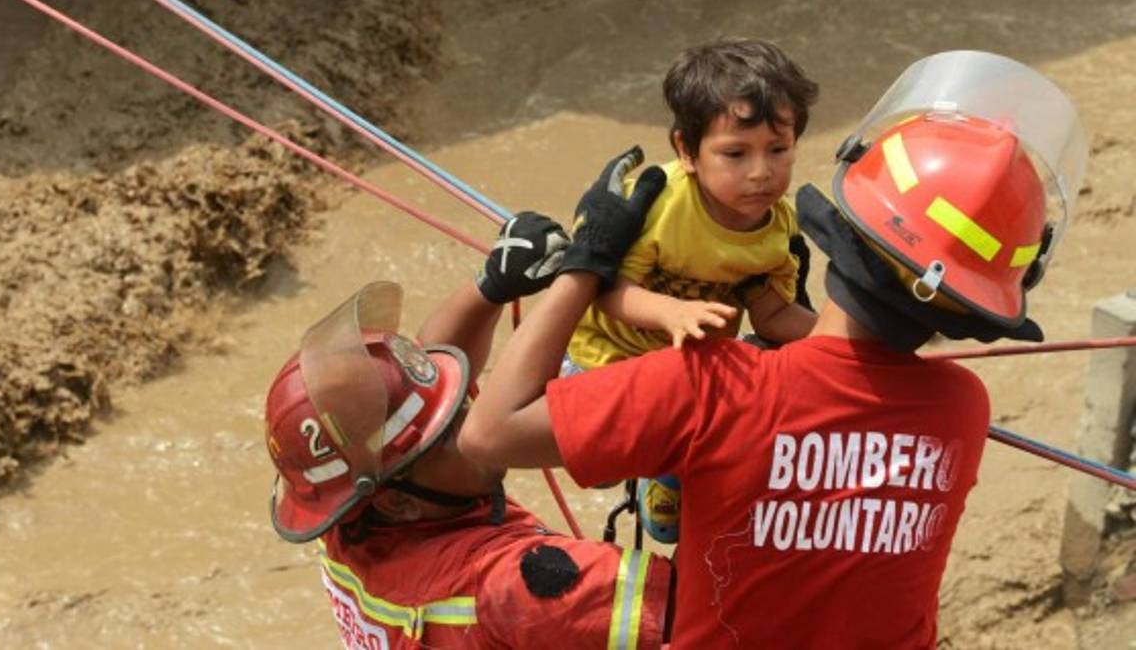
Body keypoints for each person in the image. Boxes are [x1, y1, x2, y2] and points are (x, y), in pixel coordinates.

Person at [459, 50, 1088, 648]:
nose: (759, 171)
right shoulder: (962, 411)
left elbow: (488, 435)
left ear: (841, 228)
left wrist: (584, 263)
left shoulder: (711, 383)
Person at [262, 210, 672, 649]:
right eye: (452, 429)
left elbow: (425, 373)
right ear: (399, 501)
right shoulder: (516, 585)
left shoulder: (349, 511)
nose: (478, 417)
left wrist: (491, 286)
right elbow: (719, 604)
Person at [563, 38, 821, 542]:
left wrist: (847, 340)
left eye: (778, 150)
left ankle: (667, 469)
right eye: (734, 154)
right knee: (599, 469)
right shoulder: (658, 204)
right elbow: (608, 290)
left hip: (687, 372)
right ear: (686, 151)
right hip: (606, 354)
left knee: (669, 528)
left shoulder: (777, 227)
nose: (761, 172)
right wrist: (672, 314)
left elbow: (771, 316)